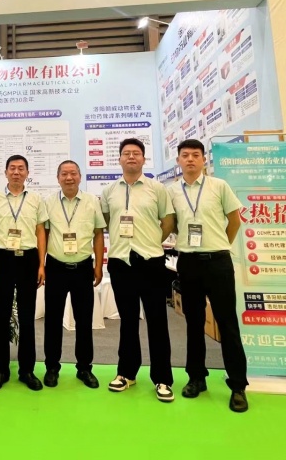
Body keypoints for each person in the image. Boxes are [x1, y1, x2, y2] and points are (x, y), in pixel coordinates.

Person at [167, 138, 248, 412]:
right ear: (178, 160)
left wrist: (219, 245)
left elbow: (234, 220)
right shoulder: (172, 192)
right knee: (194, 323)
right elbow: (171, 224)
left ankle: (238, 385)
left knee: (227, 322)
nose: (190, 159)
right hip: (189, 262)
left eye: (195, 155)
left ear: (203, 159)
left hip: (218, 262)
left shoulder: (219, 186)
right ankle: (196, 378)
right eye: (185, 155)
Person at [101, 138, 176, 403]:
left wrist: (152, 241)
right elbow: (107, 220)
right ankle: (126, 373)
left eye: (136, 153)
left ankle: (163, 378)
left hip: (151, 261)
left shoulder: (157, 189)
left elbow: (168, 221)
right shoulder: (109, 190)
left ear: (143, 159)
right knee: (128, 321)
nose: (131, 157)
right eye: (126, 153)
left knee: (157, 321)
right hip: (121, 262)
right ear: (120, 159)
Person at [0, 154, 48, 392]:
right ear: (5, 172)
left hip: (28, 259)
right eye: (12, 168)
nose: (16, 172)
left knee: (27, 317)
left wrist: (41, 264)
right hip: (2, 258)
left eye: (21, 168)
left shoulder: (36, 199)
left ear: (27, 173)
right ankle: (0, 370)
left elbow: (40, 231)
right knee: (1, 317)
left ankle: (27, 371)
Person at [43, 160, 106, 388]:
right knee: (52, 320)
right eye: (64, 174)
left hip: (82, 267)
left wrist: (98, 265)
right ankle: (52, 367)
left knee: (84, 320)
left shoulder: (91, 201)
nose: (69, 178)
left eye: (73, 173)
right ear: (58, 177)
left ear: (80, 176)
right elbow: (44, 234)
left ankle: (84, 368)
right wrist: (41, 265)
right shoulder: (48, 202)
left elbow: (98, 234)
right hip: (56, 267)